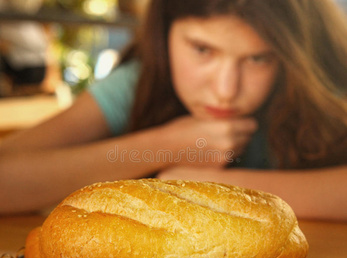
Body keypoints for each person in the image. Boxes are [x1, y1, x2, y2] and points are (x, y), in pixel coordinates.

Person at [0, 0, 346, 220]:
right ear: (163, 35)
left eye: (258, 58)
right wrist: (163, 146)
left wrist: (210, 187)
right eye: (202, 49)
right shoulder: (137, 84)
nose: (225, 90)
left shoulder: (319, 84)